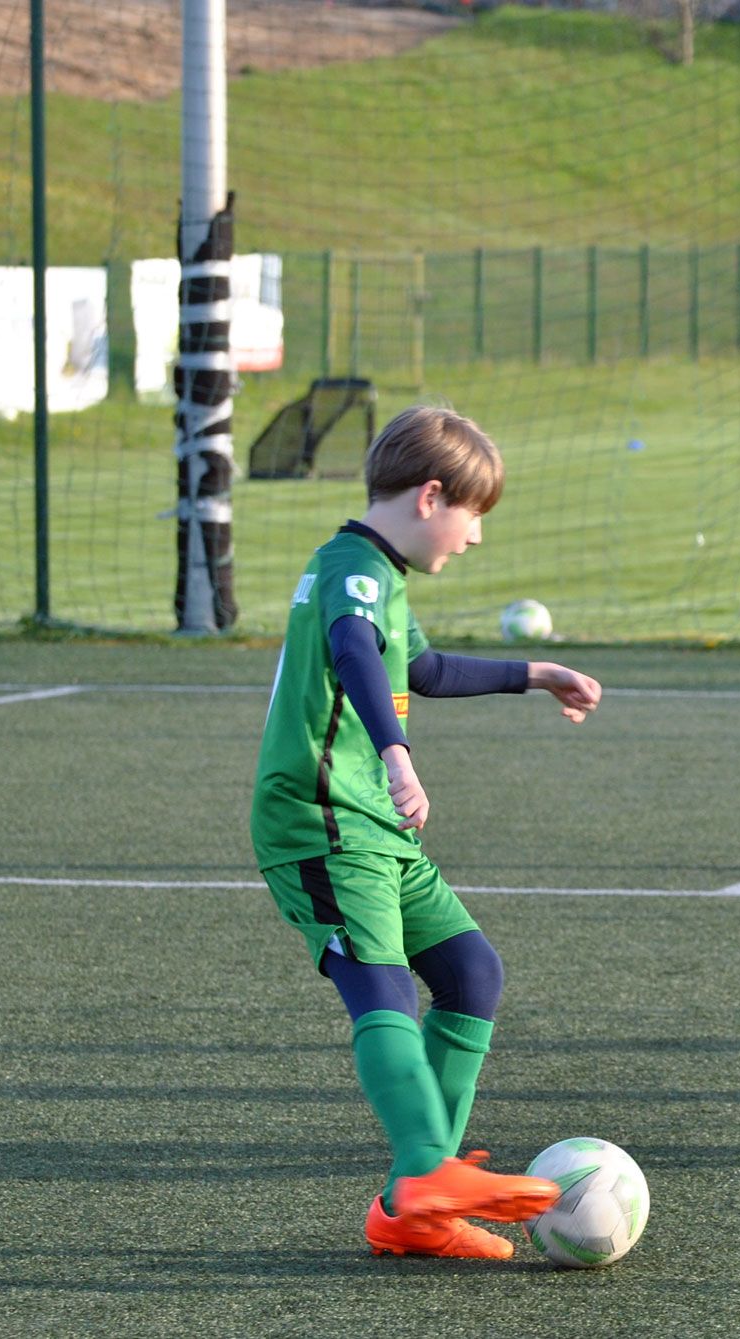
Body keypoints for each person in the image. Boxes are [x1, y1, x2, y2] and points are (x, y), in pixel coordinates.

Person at [251, 406, 605, 1258]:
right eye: (473, 514)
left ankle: (416, 1208)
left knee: (470, 971)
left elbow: (423, 667)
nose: (475, 536)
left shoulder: (380, 571)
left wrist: (537, 673)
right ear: (431, 496)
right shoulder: (352, 568)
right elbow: (354, 651)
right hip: (322, 820)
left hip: (373, 825)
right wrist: (398, 754)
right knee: (384, 991)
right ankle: (424, 1173)